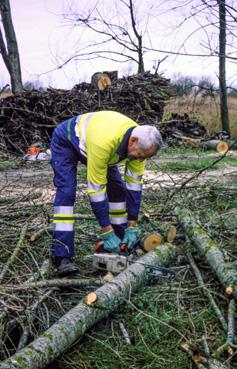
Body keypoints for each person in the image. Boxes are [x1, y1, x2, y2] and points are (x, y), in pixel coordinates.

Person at [50, 110, 163, 277]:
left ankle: (118, 243)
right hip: (67, 140)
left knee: (117, 189)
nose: (140, 160)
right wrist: (106, 230)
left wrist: (132, 225)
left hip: (99, 148)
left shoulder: (140, 146)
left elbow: (134, 186)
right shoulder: (104, 142)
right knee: (67, 192)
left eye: (144, 157)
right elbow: (96, 190)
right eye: (140, 155)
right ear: (132, 141)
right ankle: (62, 255)